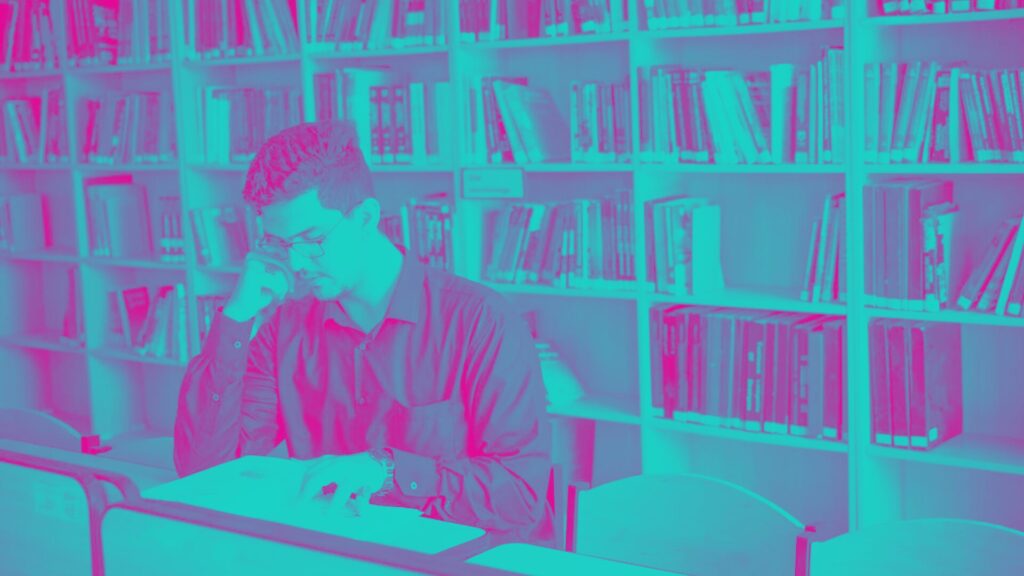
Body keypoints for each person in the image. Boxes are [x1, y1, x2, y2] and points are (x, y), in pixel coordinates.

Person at [173, 119, 552, 543]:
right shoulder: (283, 329)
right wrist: (237, 316)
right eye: (279, 244)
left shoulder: (482, 322)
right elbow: (206, 475)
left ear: (366, 218)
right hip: (335, 556)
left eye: (312, 240)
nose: (295, 265)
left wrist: (388, 472)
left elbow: (521, 494)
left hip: (447, 562)